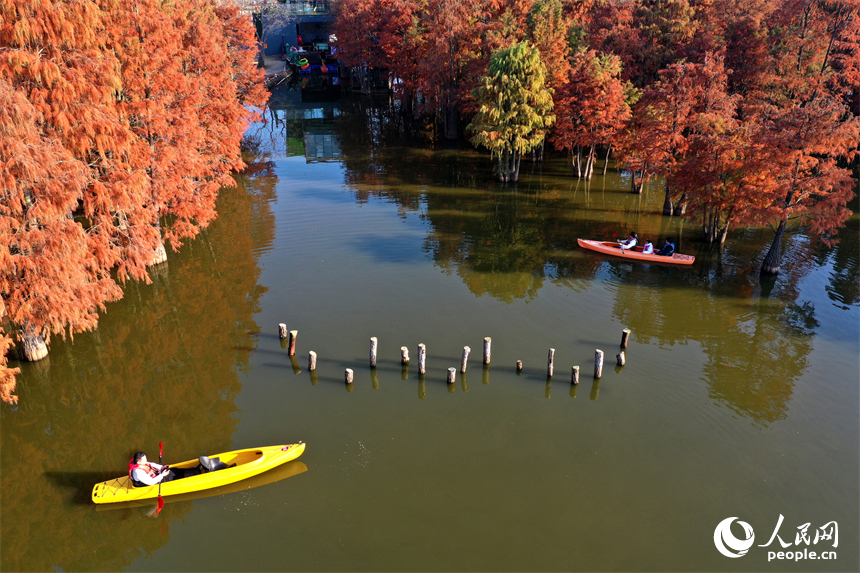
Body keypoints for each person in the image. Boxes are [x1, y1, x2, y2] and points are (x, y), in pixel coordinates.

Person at [129, 452, 204, 487]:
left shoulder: (139, 462)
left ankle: (194, 470)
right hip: (150, 483)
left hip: (154, 476)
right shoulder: (138, 473)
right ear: (138, 461)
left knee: (174, 470)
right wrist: (162, 475)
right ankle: (196, 472)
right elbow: (151, 482)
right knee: (172, 476)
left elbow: (151, 464)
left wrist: (161, 467)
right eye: (144, 460)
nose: (146, 461)